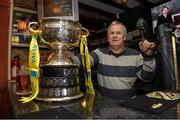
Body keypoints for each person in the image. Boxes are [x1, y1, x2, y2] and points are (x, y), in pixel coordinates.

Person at [49, 21, 156, 100]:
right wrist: (62, 58)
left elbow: (147, 78)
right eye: (111, 33)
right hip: (104, 104)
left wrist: (148, 56)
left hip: (129, 103)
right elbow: (82, 60)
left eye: (118, 33)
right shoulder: (99, 53)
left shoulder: (136, 55)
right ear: (108, 37)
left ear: (124, 37)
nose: (114, 36)